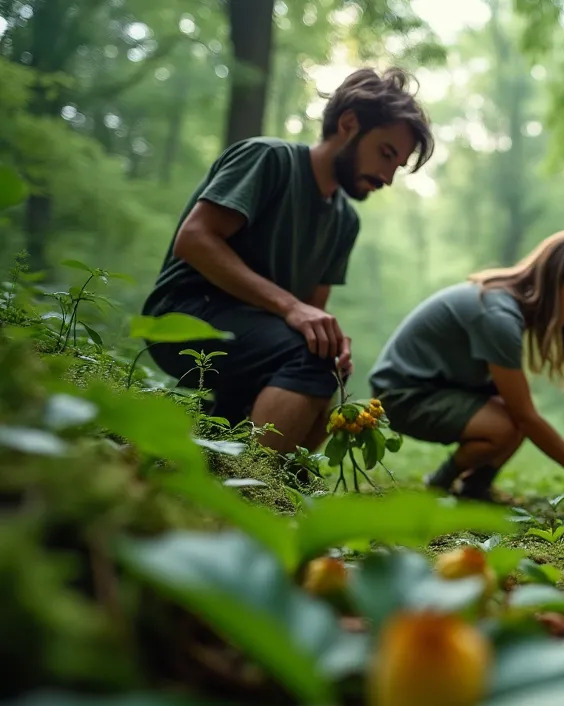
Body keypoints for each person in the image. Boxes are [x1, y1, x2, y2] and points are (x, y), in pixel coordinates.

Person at [140, 68, 433, 453]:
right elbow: (194, 240)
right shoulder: (269, 159)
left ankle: (269, 473)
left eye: (397, 166)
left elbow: (312, 313)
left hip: (252, 339)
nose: (388, 177)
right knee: (307, 358)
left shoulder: (344, 221)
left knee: (324, 360)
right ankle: (255, 481)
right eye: (386, 154)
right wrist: (291, 308)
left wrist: (332, 343)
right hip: (183, 315)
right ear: (348, 124)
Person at [368, 230, 564, 510]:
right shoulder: (497, 315)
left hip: (435, 388)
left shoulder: (506, 307)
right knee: (509, 423)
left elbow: (521, 411)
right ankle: (440, 483)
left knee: (514, 416)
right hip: (400, 395)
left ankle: (474, 487)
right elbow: (526, 417)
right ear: (560, 276)